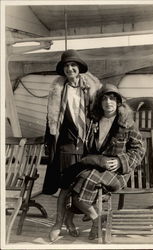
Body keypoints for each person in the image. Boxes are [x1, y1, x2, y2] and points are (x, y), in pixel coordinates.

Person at [49, 83, 145, 242]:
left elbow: (139, 149)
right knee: (69, 178)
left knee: (82, 185)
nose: (109, 102)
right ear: (100, 103)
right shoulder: (93, 121)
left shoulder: (127, 124)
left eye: (113, 99)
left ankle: (95, 220)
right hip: (95, 165)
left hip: (116, 172)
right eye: (105, 99)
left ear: (119, 102)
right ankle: (79, 220)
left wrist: (121, 161)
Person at [42, 49, 102, 236]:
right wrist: (49, 144)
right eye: (67, 66)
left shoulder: (89, 90)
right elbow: (51, 120)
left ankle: (70, 220)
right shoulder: (59, 91)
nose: (70, 69)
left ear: (79, 69)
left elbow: (100, 115)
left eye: (73, 65)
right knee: (65, 186)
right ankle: (58, 223)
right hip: (66, 145)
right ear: (63, 70)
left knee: (80, 187)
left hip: (86, 146)